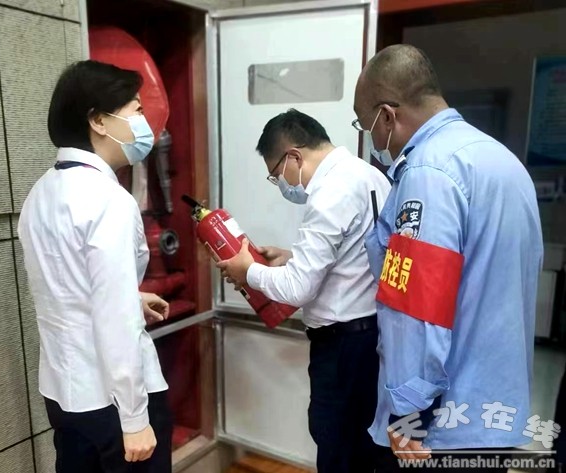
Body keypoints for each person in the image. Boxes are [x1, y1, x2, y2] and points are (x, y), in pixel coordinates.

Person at [353, 44, 543, 472]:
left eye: (366, 125)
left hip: (441, 426)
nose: (371, 139)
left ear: (387, 116)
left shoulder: (427, 173)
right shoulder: (502, 159)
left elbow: (416, 307)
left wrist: (407, 410)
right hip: (495, 412)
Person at [18, 60, 173, 473]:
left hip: (64, 393)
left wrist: (131, 296)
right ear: (98, 121)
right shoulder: (109, 200)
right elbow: (114, 319)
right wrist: (135, 418)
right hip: (114, 401)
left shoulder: (39, 194)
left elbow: (66, 286)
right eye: (136, 110)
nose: (144, 123)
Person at [217, 109, 391, 473]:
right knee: (362, 444)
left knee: (337, 446)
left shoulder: (330, 192)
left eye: (276, 174)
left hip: (343, 346)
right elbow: (354, 256)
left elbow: (298, 289)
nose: (280, 184)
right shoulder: (368, 174)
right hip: (371, 335)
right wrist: (290, 258)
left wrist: (248, 272)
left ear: (294, 157)